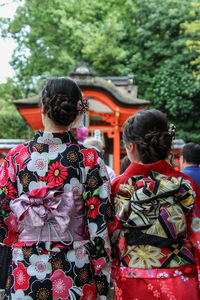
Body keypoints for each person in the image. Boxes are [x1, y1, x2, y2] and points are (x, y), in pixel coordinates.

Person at [0, 77, 113, 299]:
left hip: (26, 269)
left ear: (42, 108)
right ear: (77, 112)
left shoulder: (16, 157)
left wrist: (26, 234)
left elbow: (3, 214)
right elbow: (101, 222)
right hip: (75, 270)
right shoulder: (89, 158)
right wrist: (101, 275)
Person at [111, 109, 200, 299]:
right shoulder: (186, 184)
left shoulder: (119, 186)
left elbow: (108, 235)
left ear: (131, 146)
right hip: (180, 276)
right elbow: (198, 235)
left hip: (133, 276)